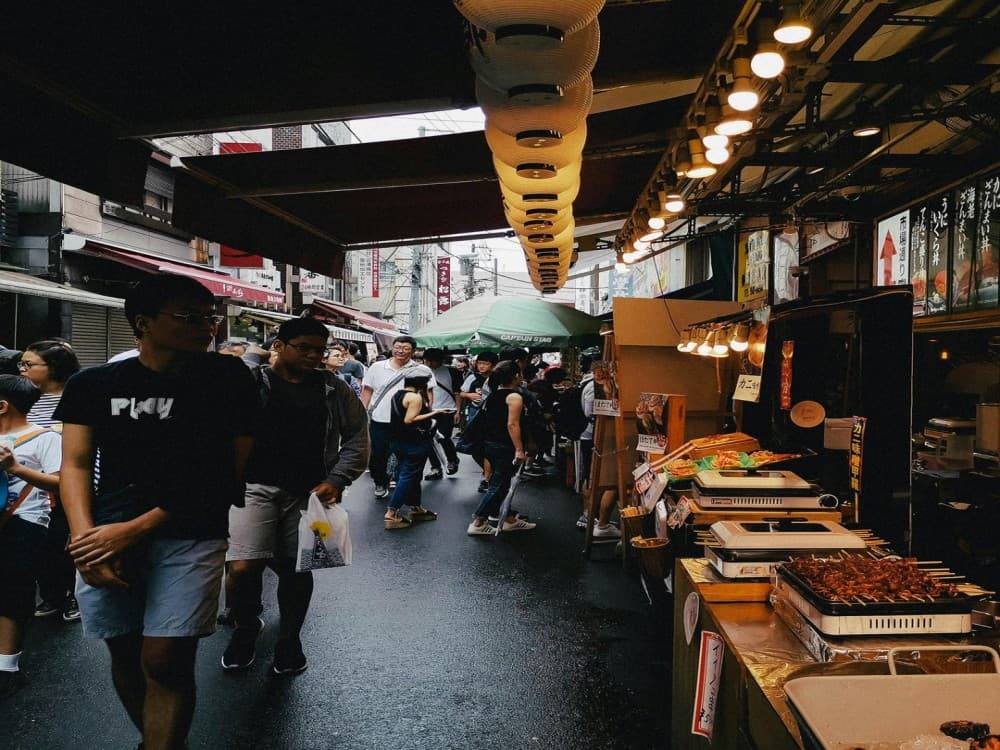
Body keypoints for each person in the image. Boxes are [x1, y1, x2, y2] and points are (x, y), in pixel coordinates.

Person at [55, 274, 260, 750]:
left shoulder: (228, 378)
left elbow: (225, 471)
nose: (206, 327)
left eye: (210, 318)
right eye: (190, 318)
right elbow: (76, 463)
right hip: (106, 533)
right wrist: (87, 540)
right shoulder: (94, 383)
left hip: (190, 532)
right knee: (125, 651)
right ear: (143, 323)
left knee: (165, 657)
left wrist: (135, 529)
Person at [223, 317, 369, 674]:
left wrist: (337, 479)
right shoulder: (252, 383)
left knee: (297, 566)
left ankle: (290, 639)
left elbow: (358, 437)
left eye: (320, 350)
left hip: (311, 493)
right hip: (252, 487)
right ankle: (245, 624)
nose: (314, 356)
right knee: (242, 565)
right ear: (278, 346)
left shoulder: (334, 389)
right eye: (304, 347)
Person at [0, 375, 62, 699]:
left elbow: (60, 483)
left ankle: (7, 666)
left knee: (13, 589)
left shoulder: (45, 438)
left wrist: (16, 468)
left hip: (26, 521)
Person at [20, 339, 83, 623]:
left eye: (29, 364)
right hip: (28, 485)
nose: (22, 369)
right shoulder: (23, 399)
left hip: (66, 484)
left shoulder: (78, 397)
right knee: (41, 546)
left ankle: (72, 596)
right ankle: (51, 595)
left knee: (66, 543)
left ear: (53, 367)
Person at [361, 335, 436, 500]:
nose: (400, 351)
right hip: (380, 419)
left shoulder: (422, 370)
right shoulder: (377, 367)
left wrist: (425, 416)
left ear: (414, 351)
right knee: (378, 454)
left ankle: (400, 481)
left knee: (405, 453)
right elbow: (367, 391)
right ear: (392, 348)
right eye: (397, 348)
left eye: (406, 348)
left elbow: (428, 394)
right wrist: (362, 413)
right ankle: (380, 482)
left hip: (406, 421)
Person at [467, 362, 536, 535]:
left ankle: (508, 519)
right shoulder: (514, 397)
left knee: (502, 484)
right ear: (516, 376)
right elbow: (512, 424)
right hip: (503, 446)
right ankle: (478, 521)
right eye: (519, 373)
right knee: (498, 485)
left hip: (489, 444)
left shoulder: (494, 394)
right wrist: (519, 449)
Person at [383, 367, 444, 529]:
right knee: (408, 476)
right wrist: (435, 413)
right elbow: (410, 419)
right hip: (414, 442)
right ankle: (391, 512)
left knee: (413, 475)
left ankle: (415, 507)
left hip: (398, 441)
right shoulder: (415, 397)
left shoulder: (397, 395)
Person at [457, 352, 498, 492]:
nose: (481, 366)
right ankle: (488, 472)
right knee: (474, 447)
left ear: (493, 365)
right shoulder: (473, 377)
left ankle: (487, 478)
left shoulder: (497, 379)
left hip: (492, 416)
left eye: (485, 364)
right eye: (480, 363)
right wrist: (469, 395)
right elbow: (461, 393)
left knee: (487, 446)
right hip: (474, 414)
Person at [421, 348, 460, 479]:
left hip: (447, 409)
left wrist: (458, 411)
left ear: (440, 360)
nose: (430, 364)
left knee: (443, 437)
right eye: (427, 361)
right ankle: (436, 468)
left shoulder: (452, 371)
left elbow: (457, 393)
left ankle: (452, 459)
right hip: (428, 411)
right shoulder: (421, 372)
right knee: (429, 441)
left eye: (433, 361)